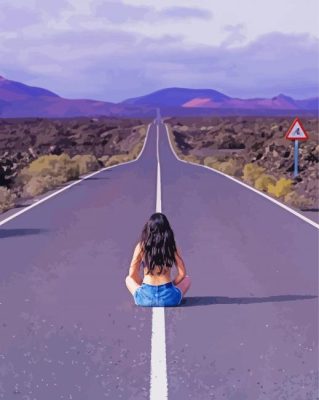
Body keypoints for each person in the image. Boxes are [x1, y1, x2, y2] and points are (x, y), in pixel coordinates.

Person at [125, 212, 191, 307]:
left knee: (128, 279)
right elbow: (182, 274)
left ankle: (144, 294)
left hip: (145, 298)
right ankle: (172, 294)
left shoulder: (141, 246)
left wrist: (141, 285)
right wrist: (172, 284)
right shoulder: (172, 246)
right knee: (187, 280)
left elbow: (132, 274)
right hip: (169, 298)